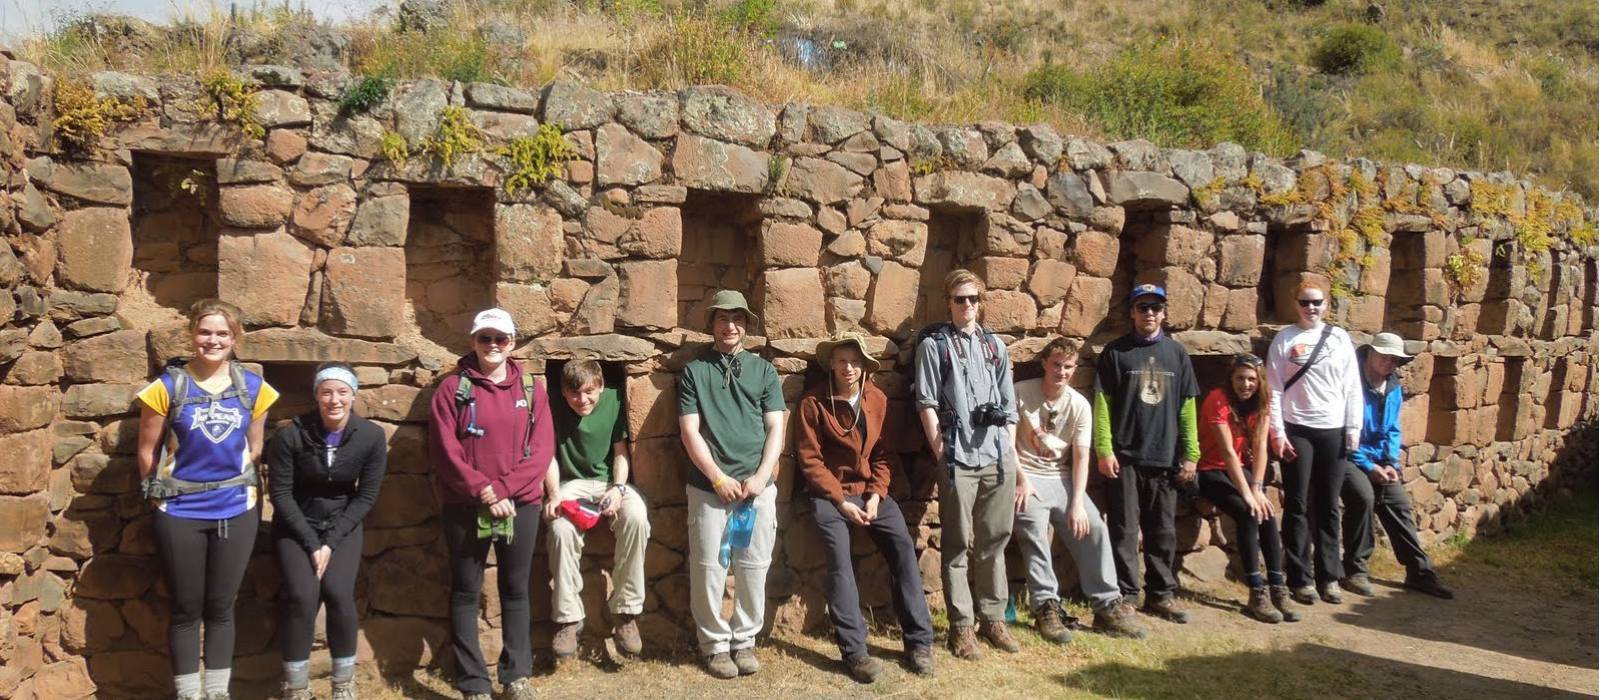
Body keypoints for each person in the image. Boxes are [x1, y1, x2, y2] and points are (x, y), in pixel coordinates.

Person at [135, 299, 280, 700]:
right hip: (179, 509)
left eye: (222, 333)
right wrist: (155, 497)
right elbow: (147, 450)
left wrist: (234, 485)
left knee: (221, 606)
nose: (212, 340)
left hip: (235, 508)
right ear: (192, 335)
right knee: (185, 608)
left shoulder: (255, 389)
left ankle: (216, 692)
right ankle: (188, 693)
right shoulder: (166, 388)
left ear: (235, 338)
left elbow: (254, 448)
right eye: (205, 332)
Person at [428, 308, 556, 700]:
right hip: (466, 505)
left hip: (521, 504)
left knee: (515, 589)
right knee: (466, 590)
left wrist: (503, 490)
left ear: (512, 343)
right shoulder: (452, 389)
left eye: (501, 338)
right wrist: (484, 490)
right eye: (485, 338)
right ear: (473, 342)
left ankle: (516, 675)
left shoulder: (532, 389)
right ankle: (472, 682)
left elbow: (541, 450)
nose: (493, 345)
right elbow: (445, 451)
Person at [796, 332, 935, 682]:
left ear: (864, 367)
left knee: (903, 548)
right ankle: (855, 653)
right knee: (840, 560)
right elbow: (811, 462)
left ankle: (919, 642)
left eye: (856, 362)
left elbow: (883, 455)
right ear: (831, 363)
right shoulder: (813, 404)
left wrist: (875, 495)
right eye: (842, 360)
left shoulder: (876, 399)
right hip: (831, 495)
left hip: (870, 492)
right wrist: (842, 502)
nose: (849, 368)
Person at [678, 290, 786, 679]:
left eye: (737, 318)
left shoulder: (764, 371)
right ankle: (715, 645)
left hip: (757, 489)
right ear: (711, 324)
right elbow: (690, 431)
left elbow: (776, 426)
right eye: (722, 318)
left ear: (746, 325)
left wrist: (759, 478)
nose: (730, 326)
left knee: (754, 566)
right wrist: (718, 477)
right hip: (710, 489)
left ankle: (744, 640)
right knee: (709, 567)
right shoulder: (695, 371)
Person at [1011, 337, 1148, 642]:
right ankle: (1045, 606)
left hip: (1061, 478)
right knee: (1032, 526)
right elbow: (1008, 445)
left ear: (1074, 369)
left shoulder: (1079, 405)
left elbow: (1082, 457)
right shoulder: (1021, 392)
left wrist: (1076, 503)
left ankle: (1107, 605)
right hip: (1027, 476)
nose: (1061, 371)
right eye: (1056, 364)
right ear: (1045, 363)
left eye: (1068, 366)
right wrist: (1020, 479)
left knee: (1094, 527)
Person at [914, 269, 1020, 660]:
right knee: (958, 545)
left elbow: (1008, 405)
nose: (967, 306)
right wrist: (940, 449)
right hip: (958, 456)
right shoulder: (934, 346)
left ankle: (993, 619)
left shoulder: (995, 346)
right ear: (949, 303)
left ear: (981, 302)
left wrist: (1007, 445)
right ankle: (962, 627)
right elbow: (925, 401)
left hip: (996, 455)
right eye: (960, 299)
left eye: (973, 299)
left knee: (994, 540)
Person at [266, 362, 387, 700]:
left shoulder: (371, 436)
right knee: (302, 597)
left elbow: (366, 495)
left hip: (342, 525)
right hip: (296, 524)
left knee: (337, 593)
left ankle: (343, 683)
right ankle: (296, 687)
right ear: (316, 395)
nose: (335, 400)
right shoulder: (291, 435)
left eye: (342, 392)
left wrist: (330, 542)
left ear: (354, 395)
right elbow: (281, 494)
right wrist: (311, 542)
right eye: (327, 392)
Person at [1093, 283, 1200, 623]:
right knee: (1123, 529)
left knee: (1162, 530)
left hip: (1164, 456)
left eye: (1155, 307)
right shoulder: (1116, 352)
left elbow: (1187, 407)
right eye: (1142, 307)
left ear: (1164, 312)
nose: (1149, 313)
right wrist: (1104, 449)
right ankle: (1126, 595)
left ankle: (1161, 594)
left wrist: (1191, 453)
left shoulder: (1177, 354)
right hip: (1124, 456)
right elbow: (1102, 405)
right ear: (1132, 313)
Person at [546, 359, 651, 661]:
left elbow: (621, 453)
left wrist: (619, 489)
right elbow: (547, 455)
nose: (583, 400)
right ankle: (568, 617)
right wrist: (553, 495)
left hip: (609, 482)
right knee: (559, 528)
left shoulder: (615, 399)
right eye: (574, 394)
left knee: (636, 517)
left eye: (590, 392)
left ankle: (626, 612)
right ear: (563, 393)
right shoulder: (551, 403)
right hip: (571, 483)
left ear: (602, 387)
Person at [1265, 280, 1363, 605]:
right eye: (1305, 302)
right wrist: (1277, 433)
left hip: (1333, 429)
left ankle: (1329, 576)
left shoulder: (1339, 338)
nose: (1311, 308)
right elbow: (1274, 389)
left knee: (1329, 504)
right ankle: (1300, 577)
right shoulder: (1285, 338)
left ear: (1326, 304)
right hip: (1298, 429)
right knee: (1296, 504)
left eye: (1317, 302)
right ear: (1295, 304)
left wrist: (1353, 427)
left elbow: (1352, 386)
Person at [1339, 333, 1455, 600]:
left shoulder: (1392, 387)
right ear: (1369, 354)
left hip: (1380, 459)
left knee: (1399, 503)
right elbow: (1344, 431)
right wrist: (1368, 466)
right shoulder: (1350, 382)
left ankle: (1420, 573)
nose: (1390, 363)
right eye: (1384, 357)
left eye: (1395, 359)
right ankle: (1355, 569)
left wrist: (1391, 463)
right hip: (1349, 456)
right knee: (1363, 496)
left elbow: (1393, 428)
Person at [1195, 354, 1302, 624]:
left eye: (1251, 379)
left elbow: (1260, 447)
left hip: (1240, 471)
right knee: (1247, 512)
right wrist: (1247, 494)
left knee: (1266, 513)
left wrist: (1258, 488)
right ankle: (1256, 592)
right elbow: (1227, 452)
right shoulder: (1217, 399)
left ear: (1260, 381)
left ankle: (1277, 586)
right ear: (1231, 379)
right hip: (1209, 469)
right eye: (1240, 378)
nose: (1246, 384)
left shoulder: (1262, 401)